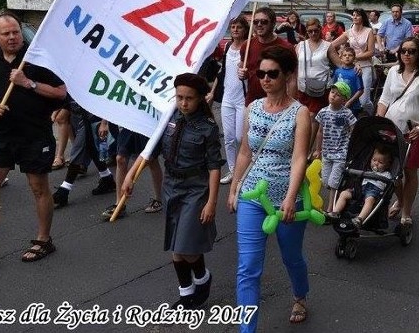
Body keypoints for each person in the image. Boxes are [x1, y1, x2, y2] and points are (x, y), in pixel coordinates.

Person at [0, 12, 67, 275]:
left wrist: (27, 83)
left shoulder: (38, 57)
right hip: (2, 134)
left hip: (35, 133)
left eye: (15, 31)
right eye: (6, 33)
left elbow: (62, 93)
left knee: (38, 187)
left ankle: (44, 240)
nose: (12, 37)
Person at [227, 46, 311, 329]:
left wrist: (290, 197)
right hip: (253, 195)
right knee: (248, 267)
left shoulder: (300, 114)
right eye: (260, 73)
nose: (264, 79)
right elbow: (244, 153)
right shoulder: (252, 108)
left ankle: (300, 295)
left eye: (271, 74)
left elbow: (299, 158)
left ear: (287, 75)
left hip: (287, 197)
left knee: (291, 257)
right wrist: (234, 187)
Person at [123, 73, 223, 309]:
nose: (183, 103)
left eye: (189, 98)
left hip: (195, 189)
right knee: (175, 247)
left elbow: (214, 166)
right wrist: (130, 175)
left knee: (185, 246)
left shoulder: (207, 128)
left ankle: (203, 278)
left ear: (200, 98)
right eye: (179, 97)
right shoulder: (169, 118)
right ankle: (186, 293)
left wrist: (211, 202)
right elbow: (150, 150)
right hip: (171, 187)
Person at [376, 36, 419, 227]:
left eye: (412, 51)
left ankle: (406, 211)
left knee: (410, 172)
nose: (407, 55)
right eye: (404, 51)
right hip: (391, 129)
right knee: (391, 170)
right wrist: (379, 121)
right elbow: (384, 99)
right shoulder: (393, 71)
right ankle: (401, 200)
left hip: (413, 131)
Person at [51, 97, 116, 208]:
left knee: (77, 151)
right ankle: (107, 178)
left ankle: (64, 191)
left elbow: (105, 98)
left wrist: (105, 122)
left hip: (92, 117)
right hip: (78, 115)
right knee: (92, 149)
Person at [208, 15, 248, 184]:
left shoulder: (247, 48)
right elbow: (222, 71)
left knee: (240, 137)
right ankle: (232, 171)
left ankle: (245, 168)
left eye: (239, 27)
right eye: (233, 27)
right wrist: (212, 91)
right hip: (227, 98)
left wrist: (246, 71)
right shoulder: (227, 48)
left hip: (243, 99)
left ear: (245, 29)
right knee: (229, 137)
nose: (235, 30)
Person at [101, 126, 164, 219]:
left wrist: (130, 176)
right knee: (120, 159)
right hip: (131, 122)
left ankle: (158, 199)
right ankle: (119, 205)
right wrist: (104, 122)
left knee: (151, 160)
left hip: (148, 122)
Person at [312, 81, 357, 211]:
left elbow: (354, 129)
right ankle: (343, 188)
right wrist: (317, 149)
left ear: (344, 99)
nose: (333, 96)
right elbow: (320, 131)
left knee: (332, 183)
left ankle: (330, 208)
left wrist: (352, 146)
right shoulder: (323, 112)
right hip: (327, 152)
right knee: (326, 181)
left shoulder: (346, 113)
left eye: (337, 95)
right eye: (332, 92)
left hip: (341, 152)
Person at [239, 7, 295, 106]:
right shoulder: (246, 45)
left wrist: (290, 106)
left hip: (279, 104)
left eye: (264, 22)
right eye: (256, 22)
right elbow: (243, 68)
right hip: (253, 103)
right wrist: (241, 73)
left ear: (273, 24)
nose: (259, 25)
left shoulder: (286, 47)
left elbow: (292, 80)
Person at [331, 145, 393, 227]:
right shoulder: (367, 171)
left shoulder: (387, 174)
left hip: (374, 192)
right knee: (344, 194)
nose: (376, 163)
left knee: (369, 200)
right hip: (360, 190)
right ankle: (335, 212)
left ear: (387, 165)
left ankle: (359, 219)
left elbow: (391, 182)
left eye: (380, 162)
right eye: (374, 160)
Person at [329, 8, 376, 114]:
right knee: (348, 95)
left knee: (364, 101)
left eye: (357, 15)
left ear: (362, 17)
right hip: (350, 67)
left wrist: (354, 57)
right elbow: (331, 45)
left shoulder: (369, 31)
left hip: (365, 66)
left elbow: (371, 52)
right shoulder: (349, 32)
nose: (354, 17)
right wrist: (339, 59)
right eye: (353, 15)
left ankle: (372, 113)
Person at [296, 18, 332, 141]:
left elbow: (339, 63)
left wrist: (355, 65)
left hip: (320, 87)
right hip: (302, 87)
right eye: (310, 31)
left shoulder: (327, 46)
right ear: (306, 31)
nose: (313, 34)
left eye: (315, 31)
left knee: (313, 116)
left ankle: (308, 149)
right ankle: (302, 145)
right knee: (302, 117)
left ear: (320, 29)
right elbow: (294, 65)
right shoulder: (301, 46)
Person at [330, 47, 365, 115]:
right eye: (345, 55)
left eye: (350, 55)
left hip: (353, 106)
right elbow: (333, 88)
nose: (347, 57)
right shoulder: (337, 71)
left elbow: (361, 90)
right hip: (339, 104)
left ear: (354, 58)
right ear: (341, 58)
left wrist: (349, 102)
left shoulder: (356, 71)